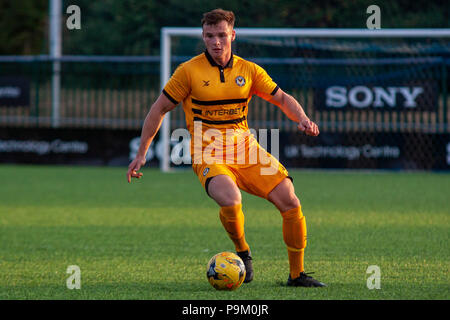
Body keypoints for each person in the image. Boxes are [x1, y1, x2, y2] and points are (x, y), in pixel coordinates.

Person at [127, 8, 326, 287]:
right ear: (203, 36)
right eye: (209, 36)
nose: (216, 42)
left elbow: (282, 99)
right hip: (207, 151)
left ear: (232, 34)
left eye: (221, 35)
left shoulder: (250, 70)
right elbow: (158, 109)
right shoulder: (188, 72)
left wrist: (303, 118)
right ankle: (243, 252)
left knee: (290, 201)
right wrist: (141, 153)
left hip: (246, 148)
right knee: (231, 198)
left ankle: (297, 275)